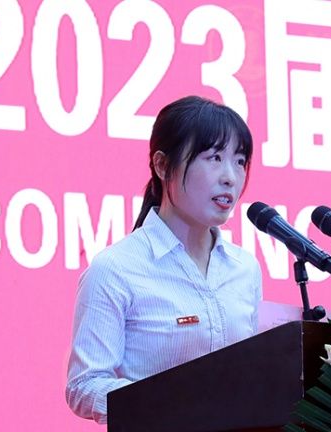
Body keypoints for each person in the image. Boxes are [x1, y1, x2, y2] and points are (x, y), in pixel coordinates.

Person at [65, 96, 262, 423]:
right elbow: (84, 386)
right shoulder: (116, 269)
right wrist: (167, 402)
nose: (230, 176)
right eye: (214, 158)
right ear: (162, 165)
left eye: (240, 161)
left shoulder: (245, 269)